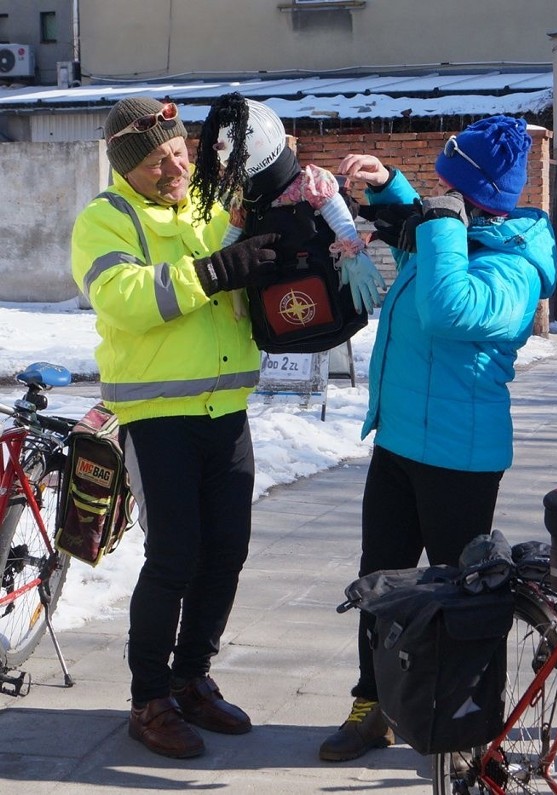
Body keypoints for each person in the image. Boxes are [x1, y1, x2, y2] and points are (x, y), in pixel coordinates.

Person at [318, 115, 557, 762]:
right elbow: (412, 251)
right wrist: (393, 187)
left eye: (450, 187)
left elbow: (447, 308)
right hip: (398, 440)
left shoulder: (516, 269)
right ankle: (372, 705)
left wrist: (443, 222)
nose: (438, 195)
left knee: (461, 601)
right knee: (381, 581)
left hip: (459, 457)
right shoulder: (452, 234)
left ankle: (474, 732)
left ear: (478, 197)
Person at [71, 97, 285, 759]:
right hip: (157, 413)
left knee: (226, 550)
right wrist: (214, 271)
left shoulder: (203, 205)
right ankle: (150, 699)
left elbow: (248, 247)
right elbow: (123, 298)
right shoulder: (104, 219)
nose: (176, 164)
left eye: (179, 149)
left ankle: (192, 677)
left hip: (226, 408)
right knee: (174, 556)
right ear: (128, 166)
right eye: (160, 159)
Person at [191, 92, 385, 317]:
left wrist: (353, 251)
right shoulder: (253, 198)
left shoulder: (304, 185)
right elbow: (229, 244)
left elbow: (229, 240)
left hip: (294, 305)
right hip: (287, 307)